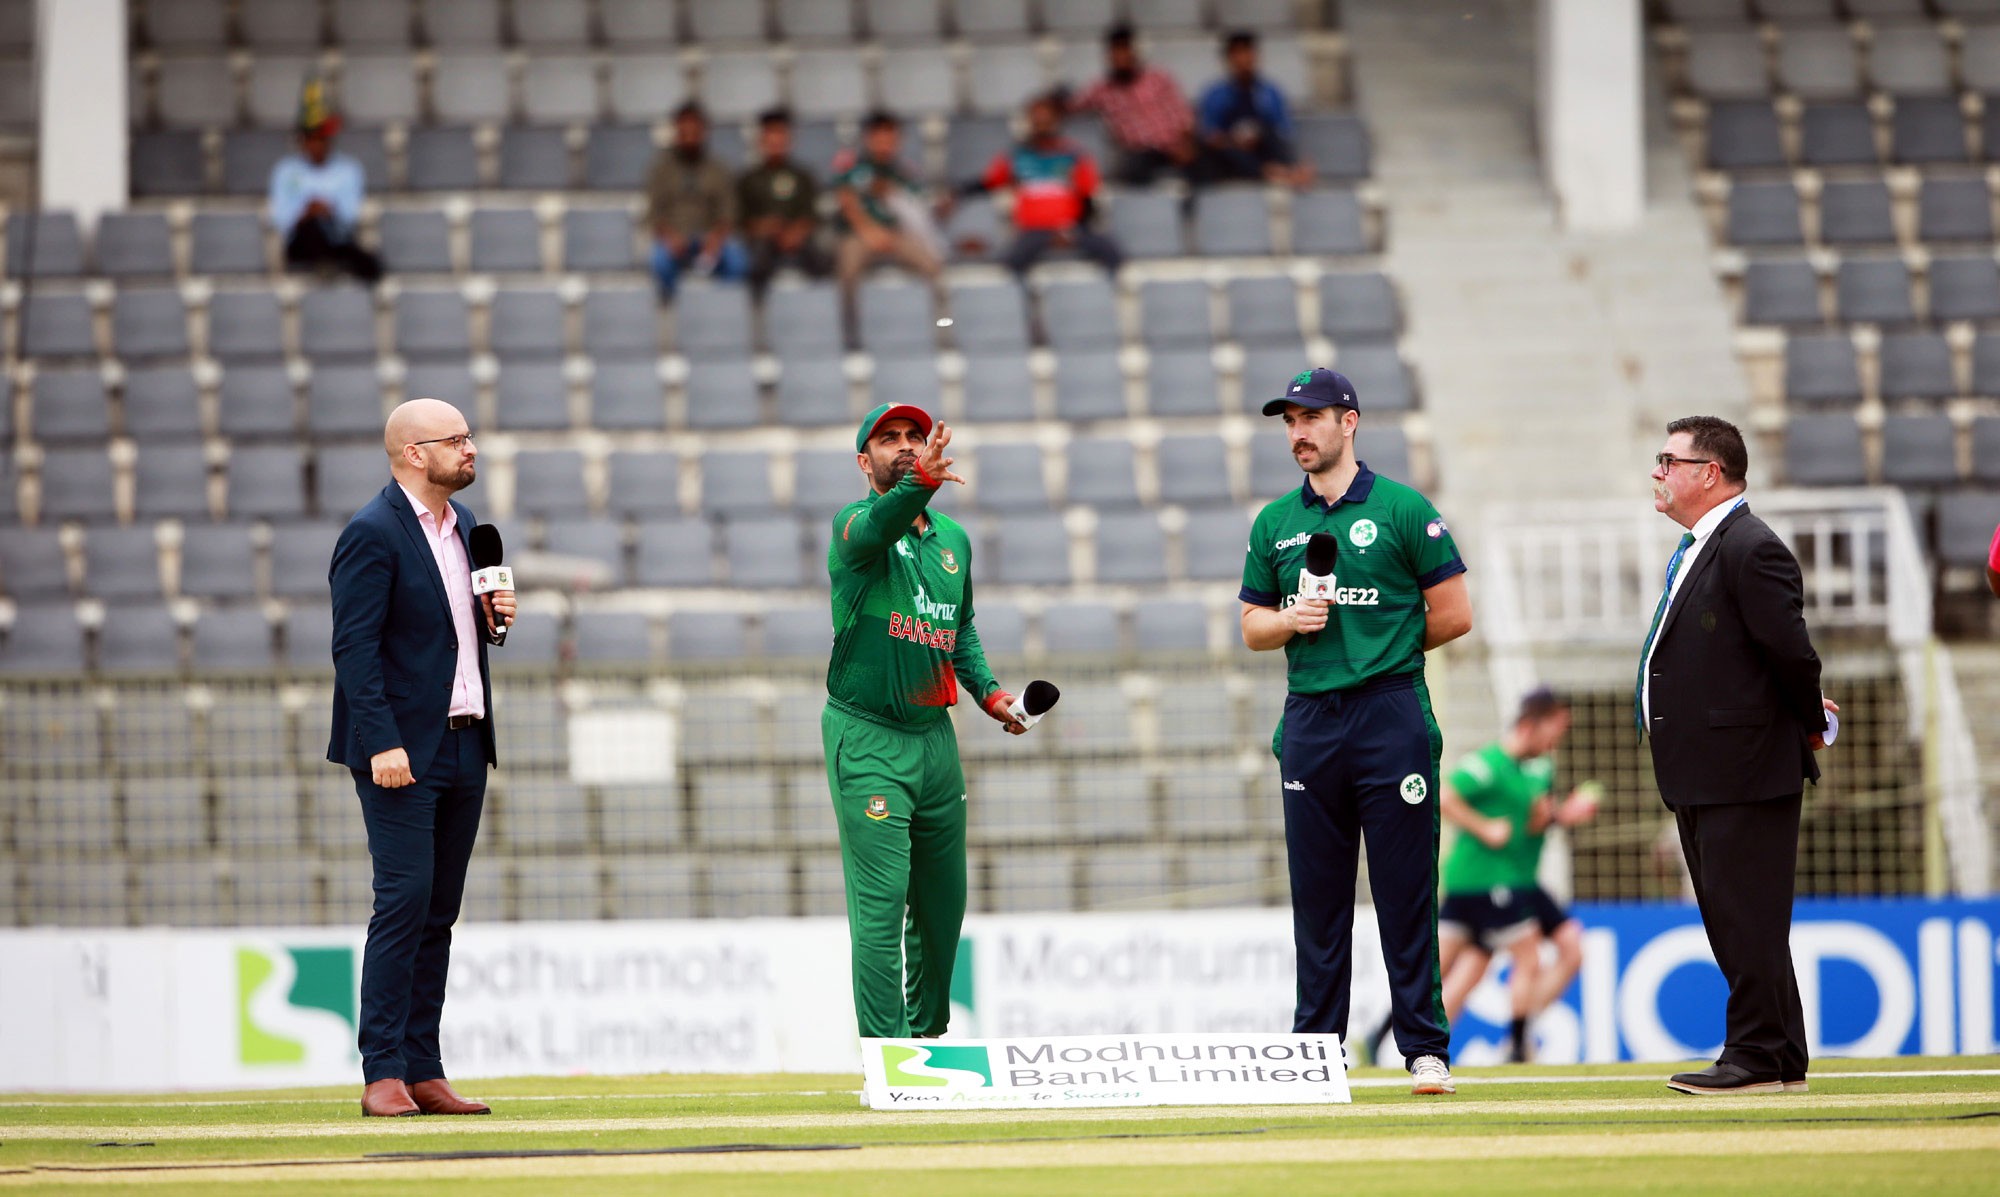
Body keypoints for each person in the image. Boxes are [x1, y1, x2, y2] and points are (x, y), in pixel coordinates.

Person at [1238, 367, 1474, 1096]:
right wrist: (1289, 620)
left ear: (1350, 422)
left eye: (1312, 417)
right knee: (1318, 892)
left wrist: (1385, 651)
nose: (1299, 431)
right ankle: (1316, 1048)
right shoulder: (1275, 522)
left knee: (1405, 887)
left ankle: (1424, 1048)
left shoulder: (1404, 508)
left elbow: (1455, 611)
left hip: (1389, 711)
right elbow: (1251, 627)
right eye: (1289, 420)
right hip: (1309, 715)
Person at [328, 398, 515, 1118]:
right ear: (414, 452)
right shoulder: (371, 533)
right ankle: (382, 1071)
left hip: (466, 739)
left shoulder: (466, 526)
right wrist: (380, 740)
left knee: (439, 909)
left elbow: (446, 637)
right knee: (402, 902)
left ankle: (423, 1064)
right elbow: (354, 648)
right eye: (456, 440)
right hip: (401, 749)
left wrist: (494, 623)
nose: (471, 449)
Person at [1640, 416, 1838, 1096]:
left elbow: (1790, 651)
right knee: (1741, 916)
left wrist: (1809, 721)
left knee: (1744, 915)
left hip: (1744, 768)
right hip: (1710, 767)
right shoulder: (1710, 545)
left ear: (1710, 473)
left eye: (1670, 460)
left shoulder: (1749, 546)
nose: (1658, 471)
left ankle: (1753, 1053)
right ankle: (1781, 1053)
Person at [823, 403, 1031, 1039]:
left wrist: (992, 697)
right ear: (865, 462)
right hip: (868, 736)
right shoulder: (854, 527)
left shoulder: (953, 542)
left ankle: (926, 1040)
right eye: (890, 440)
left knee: (943, 911)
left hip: (934, 740)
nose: (907, 446)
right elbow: (880, 523)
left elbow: (957, 627)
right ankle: (888, 1061)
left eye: (915, 436)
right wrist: (920, 484)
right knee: (881, 909)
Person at [1437, 687, 1600, 1063]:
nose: (1559, 736)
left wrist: (1563, 815)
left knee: (1473, 967)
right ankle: (1515, 1043)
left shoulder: (1541, 767)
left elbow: (1533, 823)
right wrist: (1484, 827)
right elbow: (1445, 796)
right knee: (1511, 956)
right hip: (1485, 880)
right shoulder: (1487, 764)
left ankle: (1516, 1034)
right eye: (1556, 727)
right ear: (1530, 725)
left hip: (1517, 879)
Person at [965, 92, 1123, 280]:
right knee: (1011, 262)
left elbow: (1087, 198)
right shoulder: (1016, 156)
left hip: (1072, 227)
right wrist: (956, 194)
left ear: (1057, 122)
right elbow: (988, 183)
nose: (1041, 126)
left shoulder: (1075, 154)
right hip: (1033, 231)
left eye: (1046, 121)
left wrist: (1068, 231)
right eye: (1036, 120)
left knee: (1113, 252)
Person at [831, 111, 945, 342]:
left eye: (890, 137)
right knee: (847, 270)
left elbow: (920, 206)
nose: (885, 143)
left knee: (934, 266)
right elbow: (847, 200)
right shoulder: (854, 166)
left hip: (897, 234)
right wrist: (869, 231)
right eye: (879, 137)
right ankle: (850, 334)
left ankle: (940, 327)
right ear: (868, 138)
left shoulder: (904, 171)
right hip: (861, 234)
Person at [268, 78, 382, 284]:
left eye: (321, 138)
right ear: (302, 140)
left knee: (368, 261)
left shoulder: (349, 170)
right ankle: (324, 264)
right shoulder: (285, 172)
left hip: (336, 237)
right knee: (312, 229)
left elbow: (349, 216)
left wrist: (327, 209)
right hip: (300, 241)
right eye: (311, 138)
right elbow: (281, 219)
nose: (316, 145)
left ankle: (332, 265)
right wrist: (306, 213)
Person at [1068, 24, 1201, 185]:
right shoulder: (1102, 89)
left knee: (1205, 163)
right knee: (1133, 169)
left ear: (1134, 51)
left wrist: (1185, 144)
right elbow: (1072, 106)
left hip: (1176, 145)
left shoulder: (1159, 78)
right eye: (1116, 51)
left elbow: (1183, 114)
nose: (1121, 56)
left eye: (1125, 49)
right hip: (1140, 152)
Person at [644, 101, 749, 300]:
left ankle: (720, 310)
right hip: (674, 239)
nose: (689, 137)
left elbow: (728, 212)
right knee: (659, 261)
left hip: (710, 239)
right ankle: (674, 311)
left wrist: (715, 239)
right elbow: (654, 214)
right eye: (684, 132)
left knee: (737, 259)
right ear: (677, 132)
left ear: (704, 132)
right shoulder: (661, 170)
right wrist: (670, 237)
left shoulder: (718, 169)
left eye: (694, 131)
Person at [1195, 30, 1314, 187]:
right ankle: (1275, 173)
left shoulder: (1271, 92)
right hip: (1230, 153)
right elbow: (1208, 135)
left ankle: (1286, 169)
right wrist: (1234, 141)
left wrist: (1256, 135)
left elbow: (1284, 130)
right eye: (1238, 54)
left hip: (1262, 150)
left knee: (1268, 130)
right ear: (1229, 59)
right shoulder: (1215, 94)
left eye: (1247, 53)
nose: (1243, 60)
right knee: (1222, 151)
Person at [737, 106, 830, 296]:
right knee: (754, 260)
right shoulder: (749, 179)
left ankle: (818, 309)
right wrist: (764, 227)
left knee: (824, 258)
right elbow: (740, 219)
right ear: (761, 139)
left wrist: (796, 232)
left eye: (781, 133)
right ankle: (758, 310)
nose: (776, 140)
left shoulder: (803, 176)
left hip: (799, 239)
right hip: (763, 241)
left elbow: (812, 214)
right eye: (771, 133)